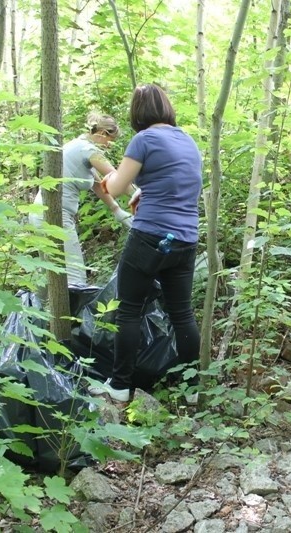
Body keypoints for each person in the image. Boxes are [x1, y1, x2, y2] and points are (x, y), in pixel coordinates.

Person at [93, 84, 203, 404]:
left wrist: (111, 182)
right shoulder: (187, 140)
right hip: (185, 240)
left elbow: (114, 186)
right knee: (182, 314)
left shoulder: (144, 140)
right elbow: (176, 182)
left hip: (150, 237)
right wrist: (144, 189)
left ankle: (120, 385)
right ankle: (192, 388)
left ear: (137, 113)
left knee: (129, 310)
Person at [30, 112, 133, 286]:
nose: (110, 145)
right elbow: (117, 177)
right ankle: (75, 313)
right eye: (110, 139)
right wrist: (139, 197)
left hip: (40, 213)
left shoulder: (78, 146)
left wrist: (117, 210)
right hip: (55, 216)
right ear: (101, 133)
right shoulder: (88, 150)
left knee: (49, 275)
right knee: (75, 275)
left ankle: (37, 309)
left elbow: (98, 184)